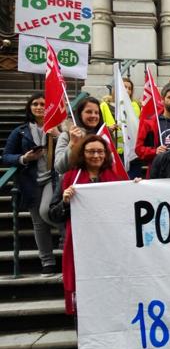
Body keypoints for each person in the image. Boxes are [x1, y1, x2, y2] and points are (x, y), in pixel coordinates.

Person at [49, 135, 122, 315]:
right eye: (90, 151)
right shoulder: (68, 178)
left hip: (108, 247)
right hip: (79, 247)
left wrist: (135, 187)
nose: (96, 155)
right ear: (82, 154)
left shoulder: (117, 178)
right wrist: (65, 202)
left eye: (100, 151)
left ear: (106, 154)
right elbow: (53, 214)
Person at [3, 93, 61, 276]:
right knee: (38, 224)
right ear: (29, 108)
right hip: (30, 181)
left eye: (43, 104)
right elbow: (6, 156)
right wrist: (23, 158)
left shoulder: (57, 127)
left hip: (52, 179)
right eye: (35, 104)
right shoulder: (20, 131)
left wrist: (59, 135)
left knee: (47, 211)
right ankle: (47, 263)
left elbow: (71, 149)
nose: (38, 107)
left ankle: (64, 233)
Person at [135, 83, 170, 175]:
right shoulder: (150, 122)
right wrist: (155, 151)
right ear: (162, 100)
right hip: (158, 172)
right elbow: (138, 149)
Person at [99, 76, 144, 178]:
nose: (127, 90)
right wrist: (108, 129)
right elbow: (99, 127)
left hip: (131, 151)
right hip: (112, 151)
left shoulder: (135, 106)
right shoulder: (104, 105)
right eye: (124, 87)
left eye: (129, 88)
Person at [55, 96, 105, 175]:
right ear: (79, 114)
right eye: (89, 112)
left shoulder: (104, 136)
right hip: (75, 185)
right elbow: (59, 168)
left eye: (97, 113)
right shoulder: (67, 136)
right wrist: (72, 144)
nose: (93, 115)